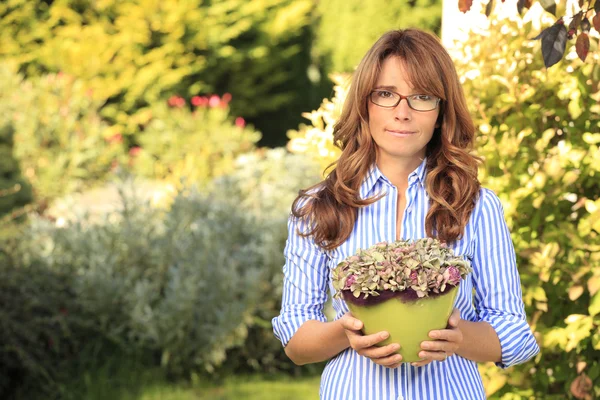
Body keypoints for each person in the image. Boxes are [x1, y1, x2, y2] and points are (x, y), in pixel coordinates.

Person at [272, 28, 540, 400]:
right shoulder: (319, 207)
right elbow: (296, 341)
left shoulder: (476, 205)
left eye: (421, 97)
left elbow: (514, 332)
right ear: (365, 103)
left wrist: (459, 338)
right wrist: (347, 333)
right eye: (386, 95)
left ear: (441, 111)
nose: (402, 112)